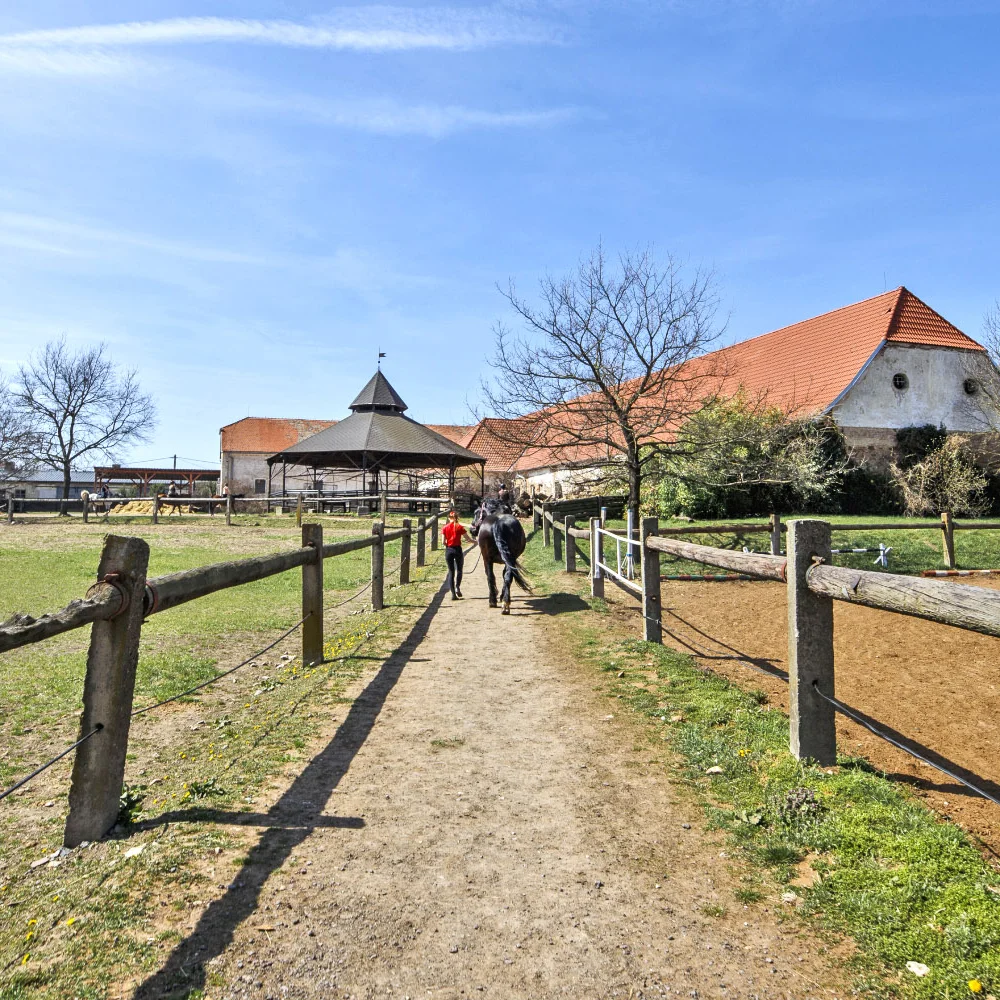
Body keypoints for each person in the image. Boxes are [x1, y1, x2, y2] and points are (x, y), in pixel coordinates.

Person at [441, 509, 470, 600]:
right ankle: (458, 586)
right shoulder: (460, 527)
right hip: (458, 549)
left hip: (449, 550)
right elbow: (468, 539)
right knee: (460, 570)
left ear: (450, 518)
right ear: (457, 518)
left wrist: (448, 545)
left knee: (451, 571)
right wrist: (476, 542)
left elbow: (443, 542)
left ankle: (453, 594)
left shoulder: (445, 528)